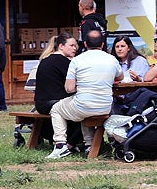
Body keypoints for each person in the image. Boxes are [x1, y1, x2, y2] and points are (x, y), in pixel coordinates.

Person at [46, 30, 123, 159]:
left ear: (85, 44)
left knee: (56, 109)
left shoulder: (77, 60)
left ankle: (60, 145)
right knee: (84, 108)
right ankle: (89, 145)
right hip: (105, 107)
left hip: (83, 105)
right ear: (103, 45)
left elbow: (69, 89)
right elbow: (120, 77)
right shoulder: (112, 59)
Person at [33, 32, 84, 149]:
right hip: (53, 103)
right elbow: (76, 83)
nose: (75, 48)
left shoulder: (46, 59)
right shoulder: (63, 62)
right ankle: (71, 144)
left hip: (40, 103)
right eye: (71, 45)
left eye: (75, 45)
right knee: (86, 111)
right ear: (61, 46)